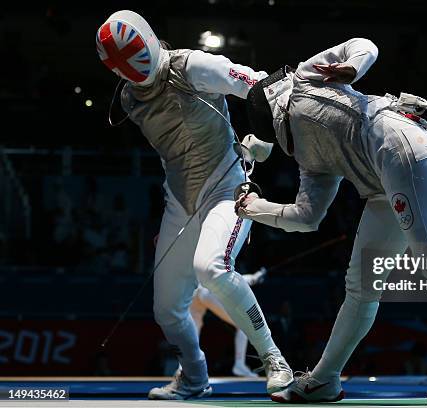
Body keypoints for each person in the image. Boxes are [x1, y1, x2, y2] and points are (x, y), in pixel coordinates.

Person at [235, 38, 427, 404]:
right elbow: (307, 217)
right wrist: (253, 207)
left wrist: (352, 69)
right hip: (385, 181)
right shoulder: (310, 161)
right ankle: (325, 379)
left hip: (402, 149)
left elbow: (365, 45)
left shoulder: (305, 80)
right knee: (361, 286)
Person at [95, 10, 292, 400]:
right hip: (180, 201)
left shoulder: (194, 66)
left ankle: (274, 359)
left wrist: (265, 138)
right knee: (167, 309)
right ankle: (194, 377)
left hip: (227, 188)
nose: (139, 75)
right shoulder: (129, 99)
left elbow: (261, 86)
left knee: (211, 268)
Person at [189, 268, 267, 377]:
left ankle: (183, 367)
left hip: (195, 289)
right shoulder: (223, 259)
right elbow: (235, 280)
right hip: (208, 291)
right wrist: (254, 277)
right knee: (243, 325)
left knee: (194, 328)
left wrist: (254, 277)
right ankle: (239, 365)